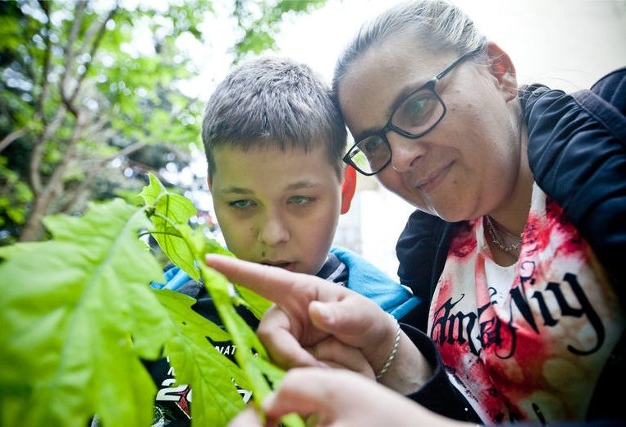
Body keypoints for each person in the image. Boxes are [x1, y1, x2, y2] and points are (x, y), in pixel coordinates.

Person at [205, 0, 626, 425]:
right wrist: (394, 352)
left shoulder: (616, 124)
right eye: (375, 143)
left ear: (499, 71)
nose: (401, 156)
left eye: (418, 106)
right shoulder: (427, 255)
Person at [146, 56, 421, 425]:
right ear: (213, 195)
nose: (273, 234)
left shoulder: (399, 326)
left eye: (300, 200)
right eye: (242, 203)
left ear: (346, 189)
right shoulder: (151, 309)